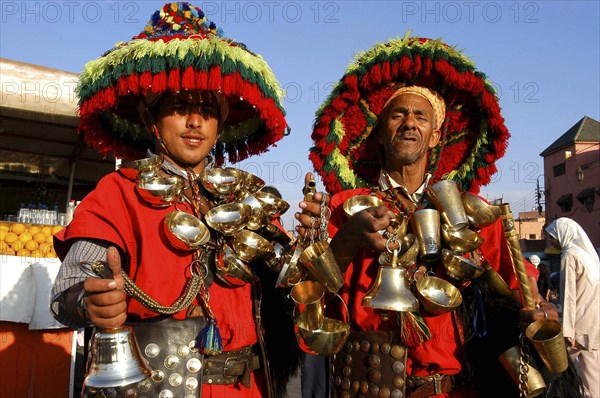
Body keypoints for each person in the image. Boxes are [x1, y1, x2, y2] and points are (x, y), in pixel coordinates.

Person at [50, 3, 299, 397]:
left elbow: (291, 283)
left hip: (248, 387)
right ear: (152, 120)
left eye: (206, 110)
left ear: (220, 124)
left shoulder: (249, 199)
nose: (195, 122)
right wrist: (88, 300)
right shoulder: (118, 192)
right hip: (157, 386)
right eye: (180, 108)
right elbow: (66, 293)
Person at [296, 34, 557, 397]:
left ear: (435, 137)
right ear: (381, 136)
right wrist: (347, 241)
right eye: (398, 114)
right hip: (366, 387)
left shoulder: (469, 212)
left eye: (421, 116)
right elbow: (306, 308)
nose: (409, 123)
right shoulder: (344, 205)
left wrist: (541, 308)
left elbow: (520, 286)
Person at [546, 218, 600, 398]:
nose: (552, 241)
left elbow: (568, 295)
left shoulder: (569, 255)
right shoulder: (586, 255)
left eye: (553, 237)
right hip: (594, 319)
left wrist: (568, 331)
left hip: (582, 323)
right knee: (592, 365)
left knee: (563, 365)